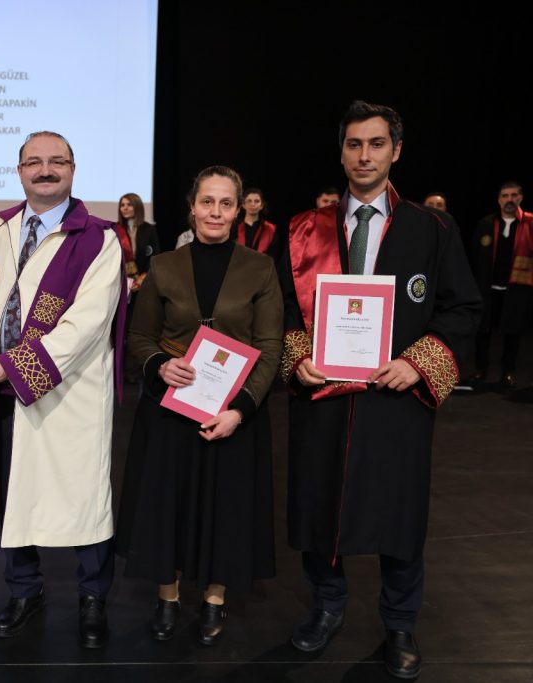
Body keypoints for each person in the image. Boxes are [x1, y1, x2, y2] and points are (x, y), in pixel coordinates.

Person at [279, 101, 481, 680]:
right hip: (324, 398)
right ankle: (327, 607)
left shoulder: (432, 228)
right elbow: (284, 309)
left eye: (375, 144)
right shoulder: (303, 230)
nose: (363, 156)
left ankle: (399, 624)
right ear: (341, 151)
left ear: (396, 151)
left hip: (396, 399)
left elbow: (463, 308)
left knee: (400, 514)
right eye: (353, 144)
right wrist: (298, 357)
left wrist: (420, 364)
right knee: (319, 504)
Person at [0, 131, 126, 649]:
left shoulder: (99, 239)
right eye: (34, 162)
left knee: (84, 498)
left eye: (57, 161)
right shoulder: (1, 229)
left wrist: (11, 368)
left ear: (73, 169)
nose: (45, 170)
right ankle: (24, 590)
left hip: (73, 393)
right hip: (9, 389)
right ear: (19, 172)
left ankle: (93, 597)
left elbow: (86, 327)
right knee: (18, 491)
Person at [116, 165, 282, 643]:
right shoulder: (165, 265)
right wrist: (159, 367)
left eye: (226, 203)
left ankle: (214, 599)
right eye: (207, 201)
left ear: (239, 210)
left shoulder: (260, 268)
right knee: (167, 504)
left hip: (232, 412)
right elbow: (140, 337)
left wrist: (240, 410)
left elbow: (270, 345)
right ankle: (167, 597)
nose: (215, 212)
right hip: (171, 408)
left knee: (225, 506)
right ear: (192, 207)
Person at [466, 181, 533, 390]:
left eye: (514, 195)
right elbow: (474, 255)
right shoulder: (486, 224)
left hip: (516, 288)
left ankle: (508, 372)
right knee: (483, 331)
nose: (509, 200)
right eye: (505, 196)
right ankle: (480, 369)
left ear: (520, 198)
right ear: (498, 200)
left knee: (513, 332)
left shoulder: (529, 225)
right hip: (487, 288)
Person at [117, 192, 160, 292]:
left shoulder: (149, 229)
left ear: (137, 206)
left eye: (129, 204)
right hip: (121, 282)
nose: (125, 208)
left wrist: (143, 277)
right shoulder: (116, 229)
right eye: (122, 205)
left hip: (144, 282)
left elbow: (155, 256)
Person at [233, 187, 281, 260]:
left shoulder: (270, 229)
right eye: (249, 201)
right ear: (243, 205)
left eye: (257, 201)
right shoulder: (234, 227)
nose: (253, 204)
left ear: (261, 206)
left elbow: (273, 256)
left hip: (262, 266)